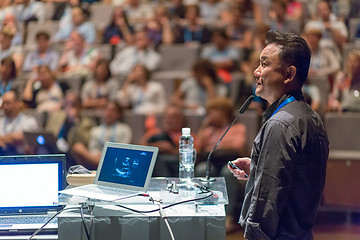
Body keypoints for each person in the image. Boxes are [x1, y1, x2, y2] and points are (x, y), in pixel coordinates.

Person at [228, 31, 329, 239]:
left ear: (289, 74)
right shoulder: (310, 116)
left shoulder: (280, 124)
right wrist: (258, 166)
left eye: (264, 64)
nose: (256, 71)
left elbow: (266, 203)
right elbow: (297, 178)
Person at [71, 101, 132, 169]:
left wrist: (106, 155)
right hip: (96, 158)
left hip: (116, 159)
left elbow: (125, 149)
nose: (109, 113)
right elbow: (92, 149)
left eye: (112, 110)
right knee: (77, 147)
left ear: (118, 114)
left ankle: (101, 165)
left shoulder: (124, 129)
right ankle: (101, 164)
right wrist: (98, 155)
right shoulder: (96, 130)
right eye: (107, 109)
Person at [0, 90, 38, 155]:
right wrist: (13, 139)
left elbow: (23, 138)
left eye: (8, 103)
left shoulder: (29, 121)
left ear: (18, 103)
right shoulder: (1, 121)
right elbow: (17, 139)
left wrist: (3, 139)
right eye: (3, 103)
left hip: (22, 157)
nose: (5, 107)